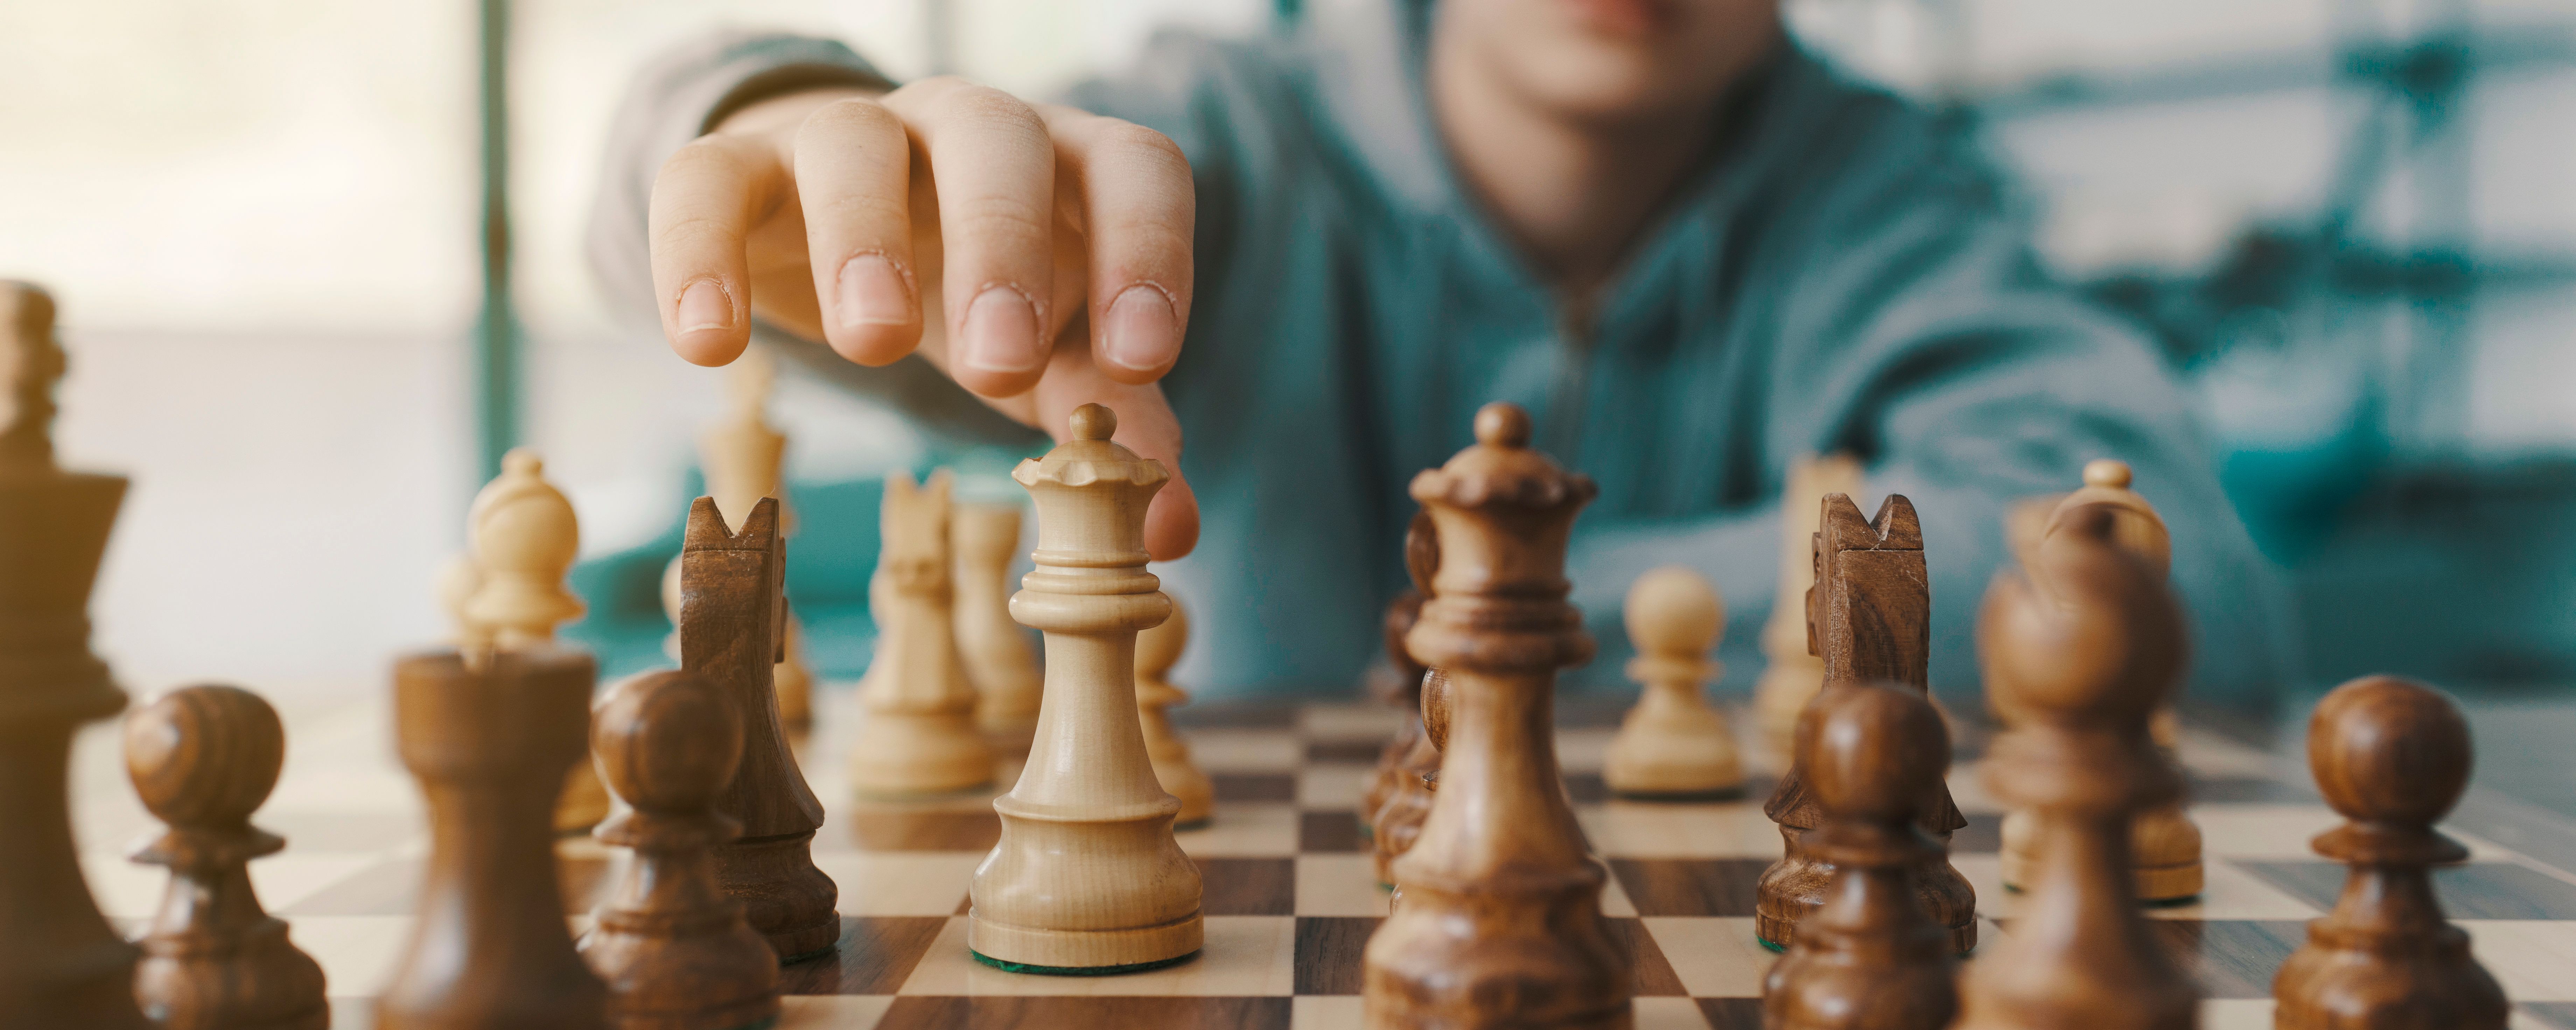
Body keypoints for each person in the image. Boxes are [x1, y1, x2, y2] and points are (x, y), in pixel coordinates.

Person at [587, 0, 2295, 700]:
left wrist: (1506, 600)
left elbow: (2175, 583)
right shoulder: (1218, 143)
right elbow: (752, 203)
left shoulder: (1889, 201)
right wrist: (757, 121)